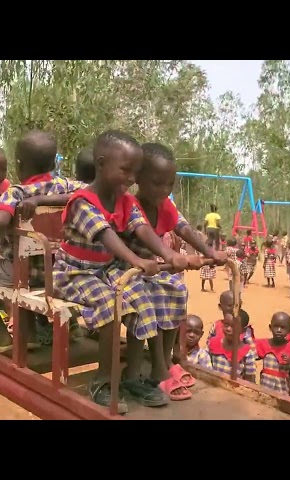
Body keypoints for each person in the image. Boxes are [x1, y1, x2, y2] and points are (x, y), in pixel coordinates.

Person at [53, 130, 190, 412]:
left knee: (142, 297)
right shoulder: (82, 201)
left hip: (106, 270)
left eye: (134, 172)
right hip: (75, 273)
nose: (130, 178)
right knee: (110, 305)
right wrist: (137, 261)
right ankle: (103, 381)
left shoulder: (126, 201)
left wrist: (168, 253)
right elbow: (106, 236)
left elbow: (141, 228)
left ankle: (133, 377)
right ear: (101, 164)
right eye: (125, 170)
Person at [0, 130, 86, 350]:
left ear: (20, 164)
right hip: (59, 270)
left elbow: (1, 220)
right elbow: (89, 194)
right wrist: (45, 199)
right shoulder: (68, 186)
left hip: (24, 274)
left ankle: (4, 338)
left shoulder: (17, 192)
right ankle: (71, 326)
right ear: (53, 162)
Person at [127, 142, 228, 392]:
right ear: (138, 178)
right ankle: (157, 367)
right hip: (125, 269)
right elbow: (145, 235)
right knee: (149, 299)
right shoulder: (129, 204)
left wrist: (209, 251)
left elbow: (184, 228)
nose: (164, 190)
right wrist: (172, 255)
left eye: (169, 184)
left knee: (175, 289)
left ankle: (165, 360)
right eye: (156, 183)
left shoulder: (164, 206)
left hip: (150, 271)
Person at [255, 312, 290, 396]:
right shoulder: (263, 344)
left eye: (283, 328)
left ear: (289, 330)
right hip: (265, 388)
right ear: (270, 327)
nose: (279, 330)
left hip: (282, 390)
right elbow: (249, 356)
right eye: (276, 326)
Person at [207, 311, 257, 383]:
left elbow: (250, 380)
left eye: (233, 327)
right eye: (226, 325)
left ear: (243, 330)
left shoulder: (247, 353)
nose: (228, 329)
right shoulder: (213, 343)